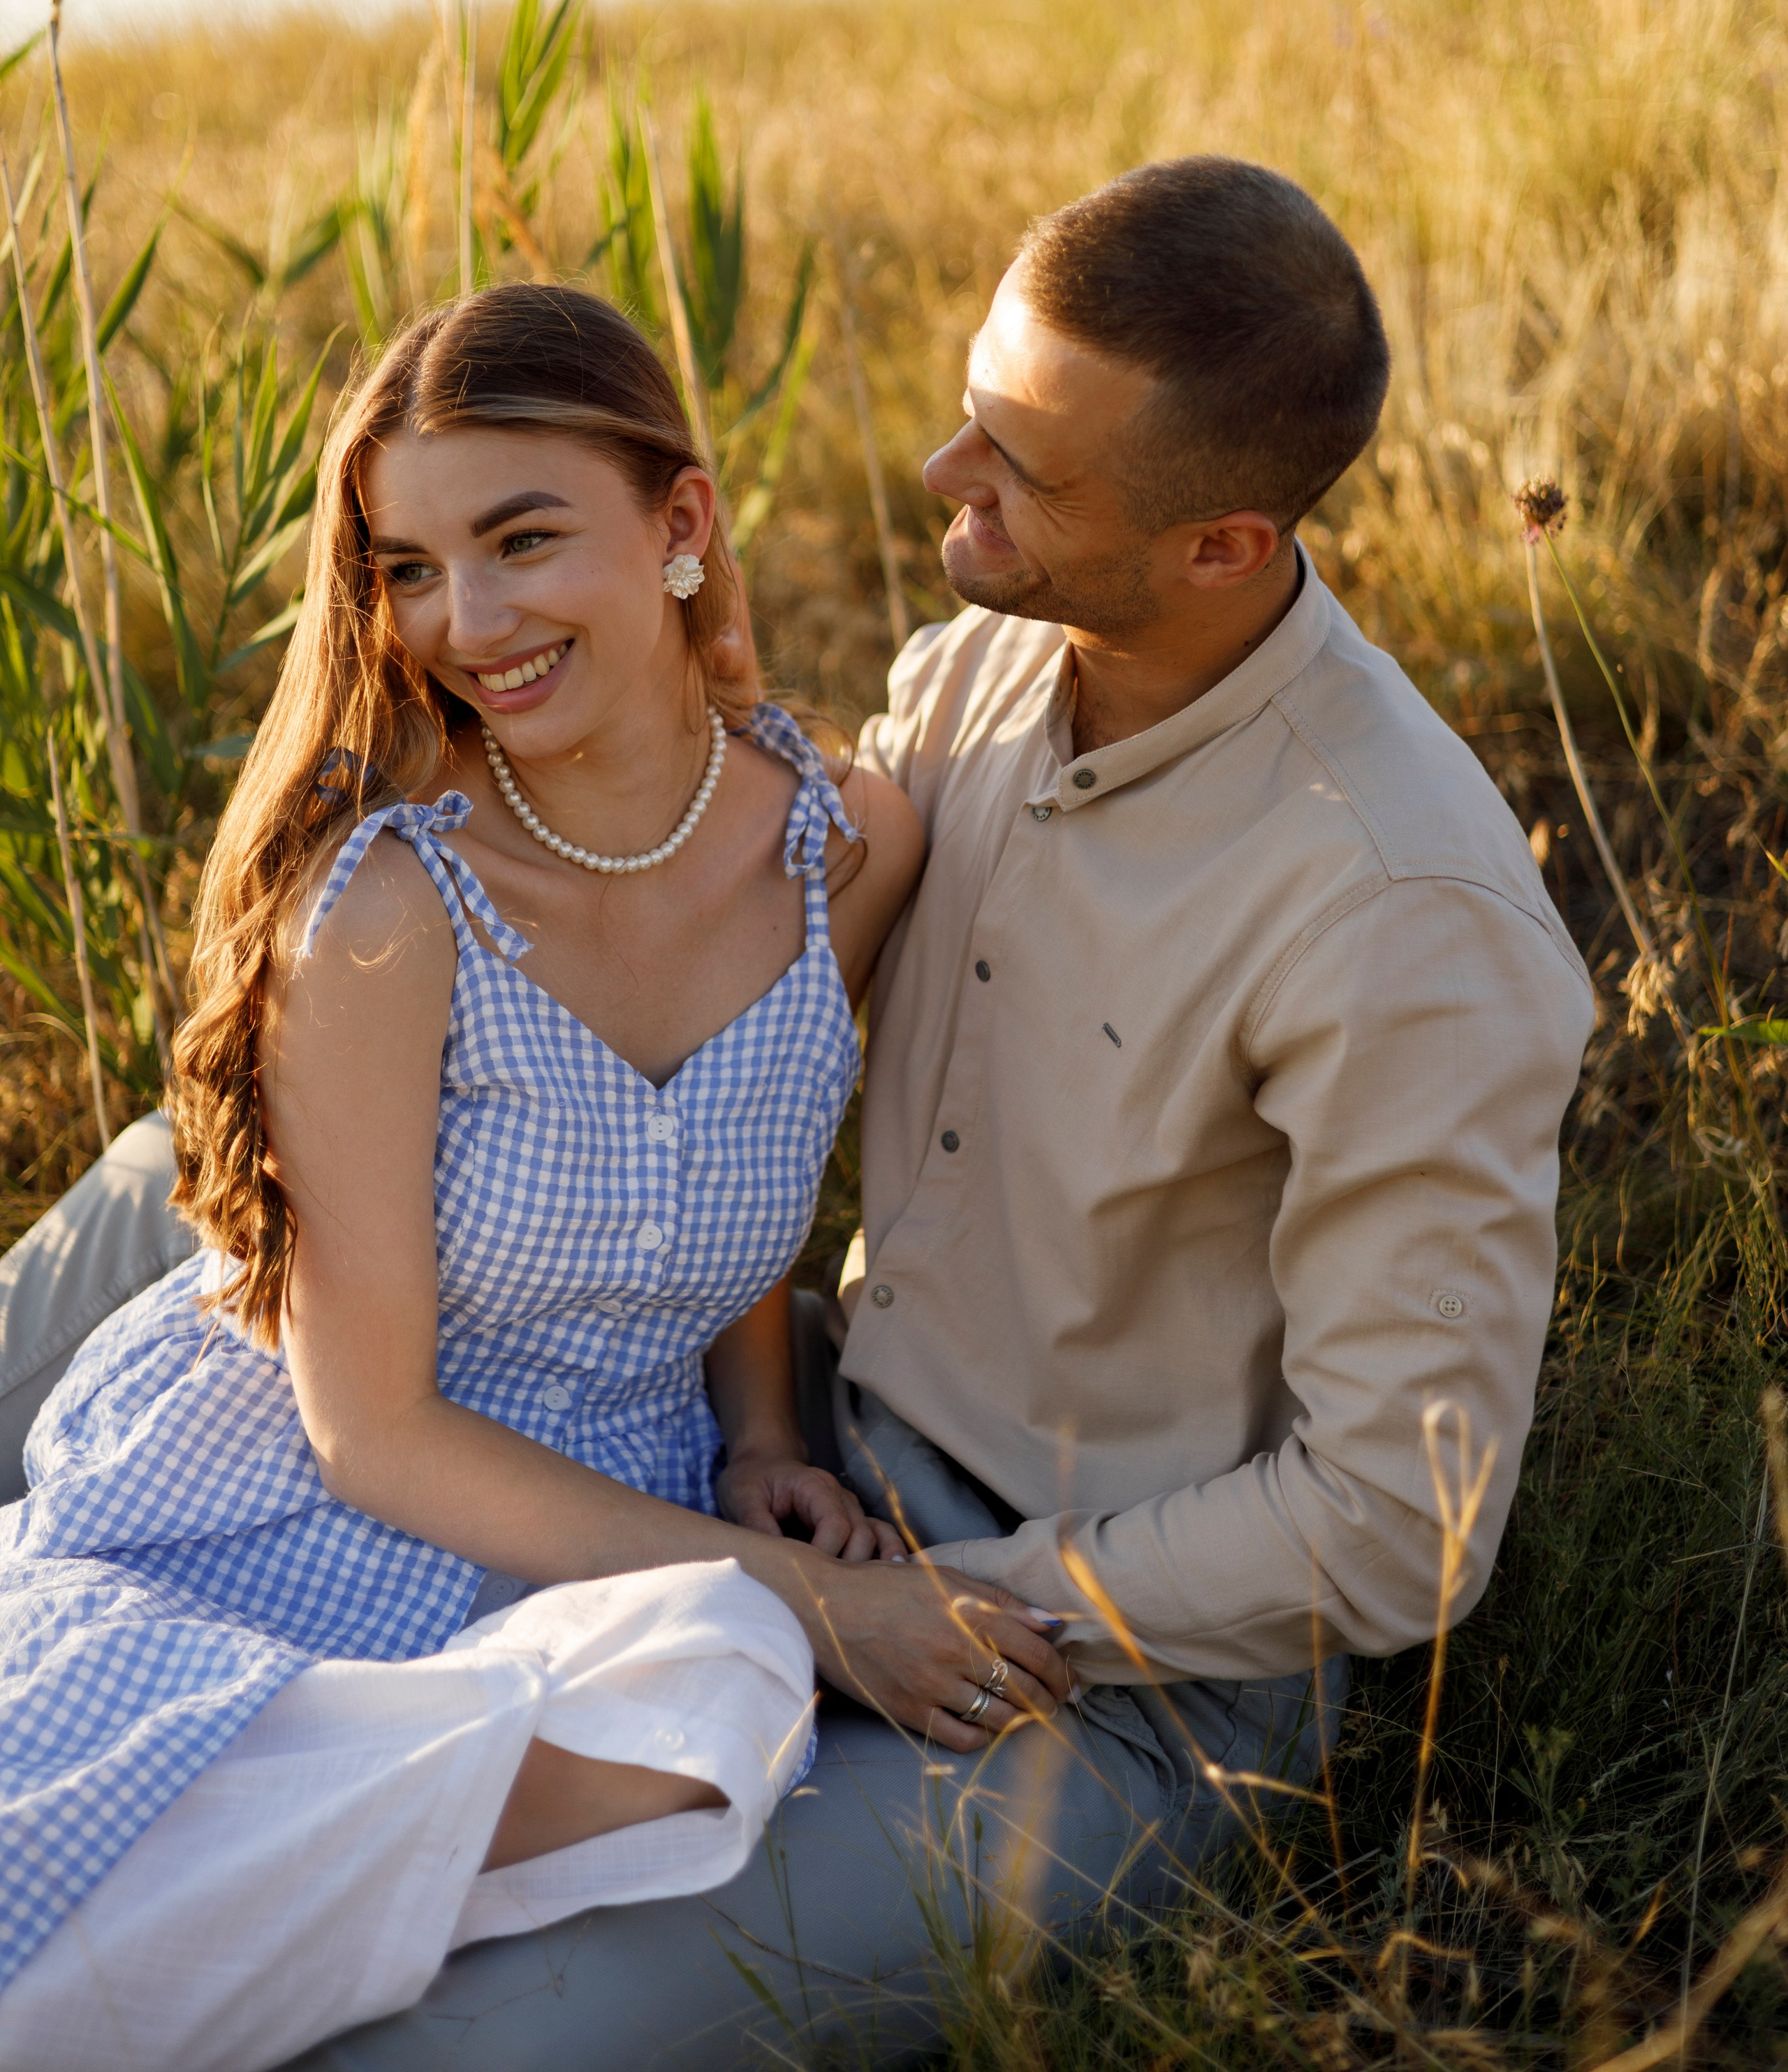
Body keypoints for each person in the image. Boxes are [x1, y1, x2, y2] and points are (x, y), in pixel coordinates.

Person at [0, 161, 1595, 2071]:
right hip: (811, 1447)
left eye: (1020, 464)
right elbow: (740, 1042)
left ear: (1218, 544)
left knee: (464, 2044)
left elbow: (1401, 1525)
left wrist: (907, 1604)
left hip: (1087, 1638)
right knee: (148, 1202)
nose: (942, 475)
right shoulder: (990, 669)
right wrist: (770, 1443)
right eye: (973, 408)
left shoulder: (1401, 910)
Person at [0, 283, 1079, 2072]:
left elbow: (744, 1155)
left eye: (518, 541)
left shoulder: (839, 844)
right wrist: (835, 1603)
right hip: (302, 1523)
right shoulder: (392, 905)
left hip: (608, 1548)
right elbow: (374, 1435)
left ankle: (279, 1897)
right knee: (741, 1660)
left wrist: (758, 1439)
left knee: (720, 1697)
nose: (464, 622)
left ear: (680, 524)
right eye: (408, 567)